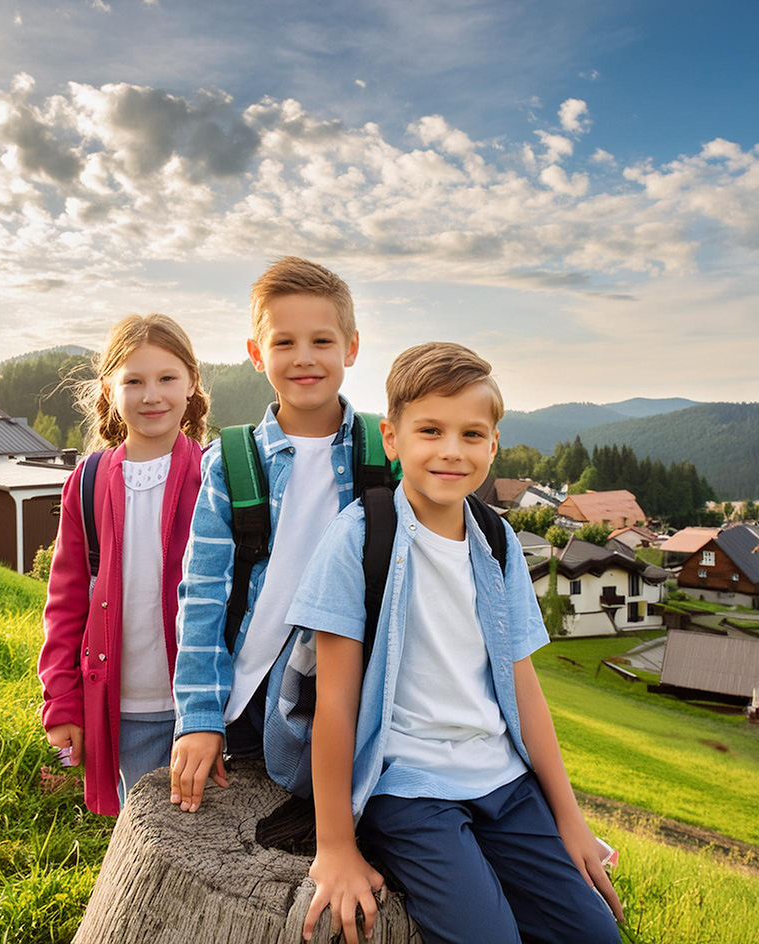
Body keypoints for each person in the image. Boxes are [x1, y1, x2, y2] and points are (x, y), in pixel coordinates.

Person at [288, 342, 624, 944]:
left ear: (493, 446)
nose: (451, 450)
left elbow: (523, 686)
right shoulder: (361, 540)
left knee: (595, 936)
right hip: (410, 790)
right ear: (392, 439)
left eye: (472, 434)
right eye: (430, 430)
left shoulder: (498, 543)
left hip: (504, 780)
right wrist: (335, 845)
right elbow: (334, 703)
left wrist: (569, 820)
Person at [170, 256, 361, 813]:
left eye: (322, 341)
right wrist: (199, 718)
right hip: (243, 699)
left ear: (351, 347)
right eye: (284, 343)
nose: (304, 358)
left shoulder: (382, 455)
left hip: (340, 699)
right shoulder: (232, 462)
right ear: (256, 353)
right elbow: (201, 594)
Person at [38, 313, 207, 816]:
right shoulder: (86, 483)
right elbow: (65, 604)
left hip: (199, 709)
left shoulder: (215, 476)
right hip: (122, 709)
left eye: (167, 378)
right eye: (134, 381)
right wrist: (62, 702)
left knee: (203, 840)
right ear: (110, 389)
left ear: (192, 383)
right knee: (142, 838)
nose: (151, 395)